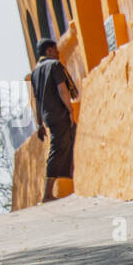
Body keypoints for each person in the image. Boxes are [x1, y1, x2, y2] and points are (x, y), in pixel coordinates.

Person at [30, 39, 78, 202]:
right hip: (59, 113)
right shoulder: (54, 65)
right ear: (49, 51)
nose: (58, 52)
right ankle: (48, 194)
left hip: (48, 116)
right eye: (55, 49)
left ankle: (74, 179)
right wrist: (70, 110)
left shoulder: (35, 72)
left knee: (70, 140)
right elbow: (62, 89)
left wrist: (39, 124)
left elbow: (37, 101)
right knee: (57, 148)